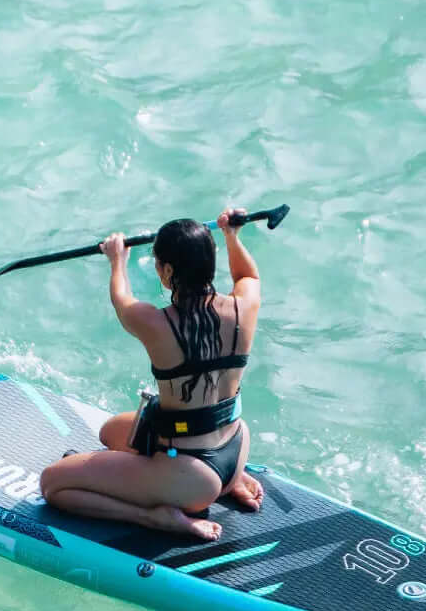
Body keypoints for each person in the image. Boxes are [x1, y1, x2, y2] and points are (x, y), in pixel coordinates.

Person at [39, 207, 264, 542]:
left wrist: (117, 259)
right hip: (235, 446)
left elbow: (121, 299)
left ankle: (154, 516)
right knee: (111, 432)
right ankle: (230, 481)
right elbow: (249, 277)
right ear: (211, 261)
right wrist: (232, 235)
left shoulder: (157, 322)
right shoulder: (242, 306)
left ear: (167, 270)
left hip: (191, 475)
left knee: (53, 483)